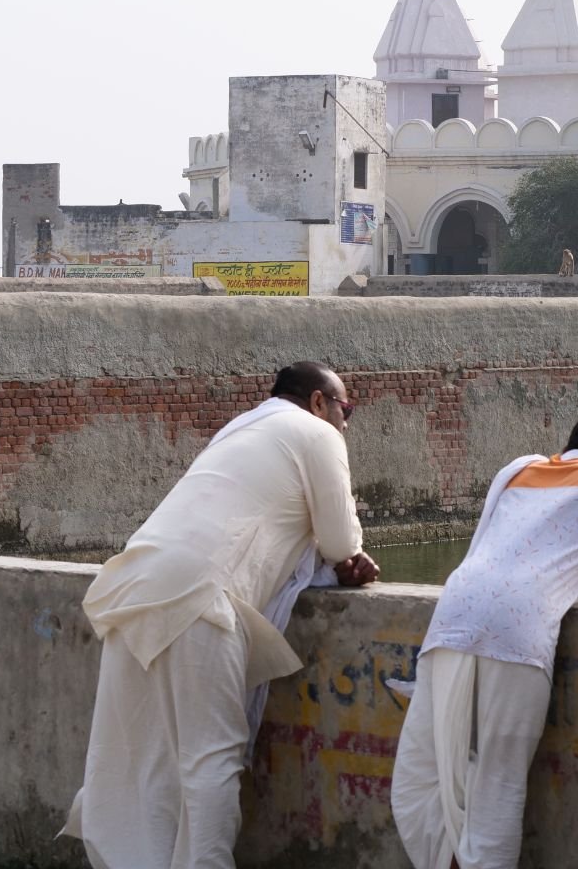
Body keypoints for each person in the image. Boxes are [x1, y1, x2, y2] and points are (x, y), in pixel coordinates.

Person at [62, 360, 379, 869]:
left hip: (135, 582)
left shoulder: (243, 425)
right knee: (211, 761)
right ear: (320, 402)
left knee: (137, 760)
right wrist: (349, 556)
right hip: (199, 597)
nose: (347, 421)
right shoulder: (317, 434)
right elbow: (342, 540)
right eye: (347, 409)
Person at [390, 410, 578, 869]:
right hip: (519, 635)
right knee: (497, 788)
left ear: (568, 446)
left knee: (423, 777)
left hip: (453, 618)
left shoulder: (522, 471)